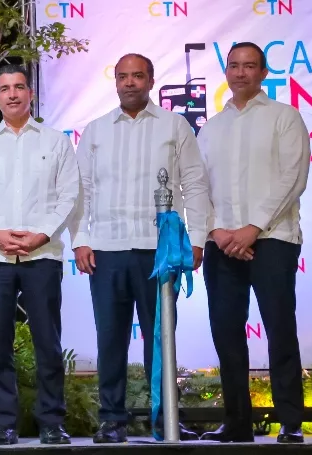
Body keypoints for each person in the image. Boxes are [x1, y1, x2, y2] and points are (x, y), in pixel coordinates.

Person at [69, 53, 208, 443]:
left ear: (151, 80)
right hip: (106, 251)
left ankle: (165, 419)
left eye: (138, 76)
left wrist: (197, 238)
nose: (130, 82)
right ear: (115, 82)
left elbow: (194, 184)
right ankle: (112, 420)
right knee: (110, 339)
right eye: (123, 76)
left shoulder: (175, 125)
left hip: (158, 251)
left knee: (161, 340)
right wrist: (81, 240)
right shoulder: (96, 130)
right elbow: (82, 190)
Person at [0, 64, 78, 446]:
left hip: (43, 255)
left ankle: (52, 422)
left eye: (19, 87)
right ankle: (5, 424)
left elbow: (69, 196)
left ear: (30, 94)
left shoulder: (56, 142)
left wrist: (41, 235)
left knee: (48, 342)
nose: (12, 94)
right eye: (5, 88)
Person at [197, 42, 309, 444]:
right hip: (222, 243)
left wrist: (252, 228)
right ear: (226, 72)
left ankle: (291, 420)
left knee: (279, 328)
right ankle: (237, 423)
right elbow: (197, 186)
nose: (241, 72)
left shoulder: (284, 117)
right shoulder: (211, 128)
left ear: (263, 72)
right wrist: (216, 231)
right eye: (234, 66)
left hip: (273, 239)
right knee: (226, 333)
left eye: (249, 66)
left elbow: (293, 177)